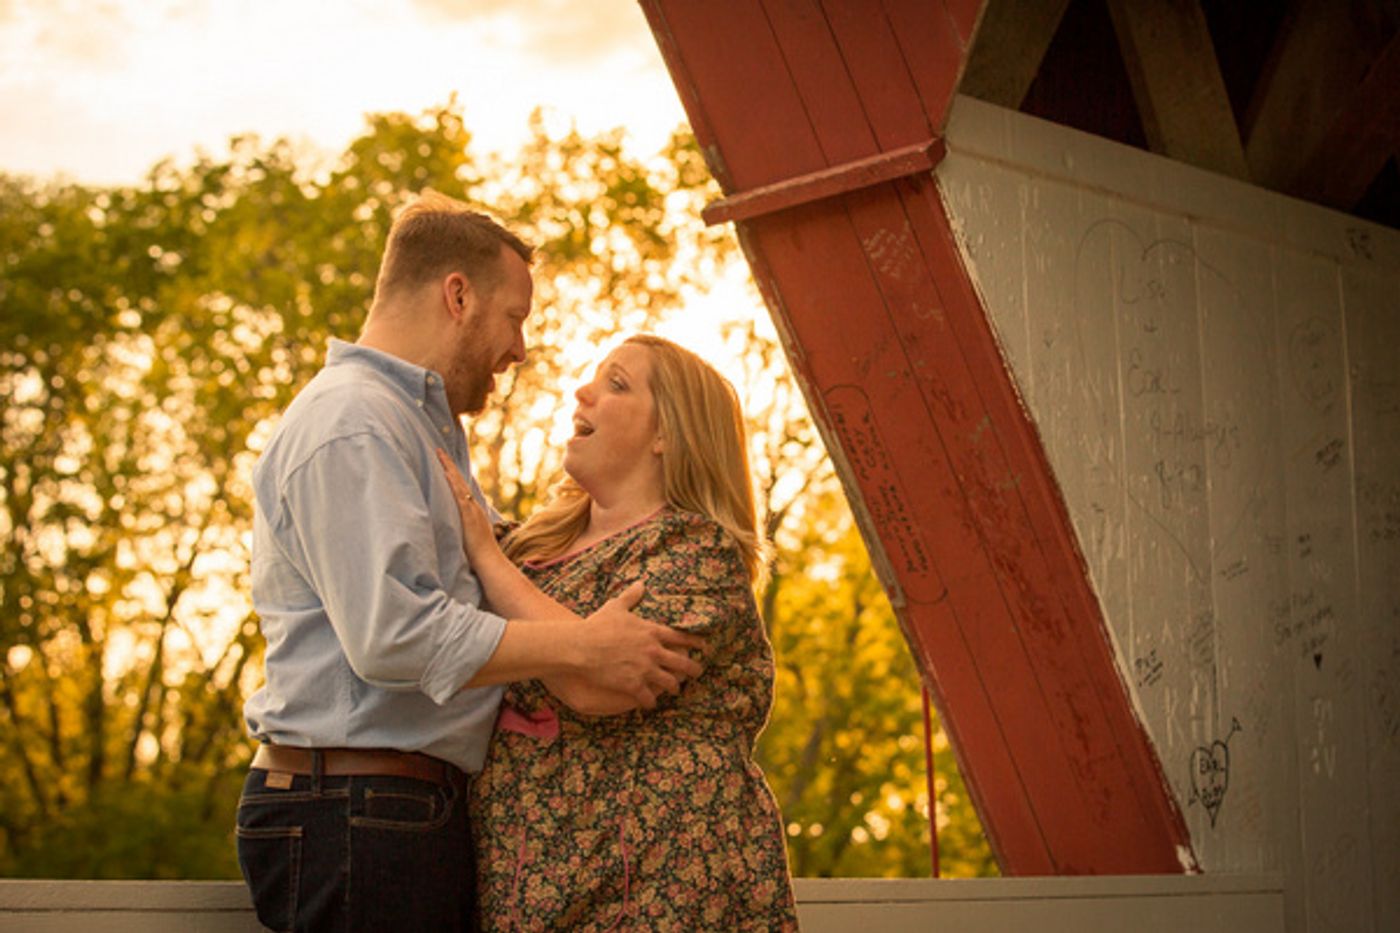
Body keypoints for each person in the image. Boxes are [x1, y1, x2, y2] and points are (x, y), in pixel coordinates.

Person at [236, 192, 703, 933]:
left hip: (396, 808)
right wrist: (587, 645)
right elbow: (394, 634)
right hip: (359, 810)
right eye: (515, 316)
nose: (519, 348)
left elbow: (483, 576)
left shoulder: (423, 427)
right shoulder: (353, 422)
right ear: (458, 295)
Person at [438, 334, 799, 931]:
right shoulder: (530, 548)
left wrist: (488, 559)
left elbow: (597, 687)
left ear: (667, 436)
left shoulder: (696, 552)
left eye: (616, 384)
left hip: (660, 886)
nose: (583, 392)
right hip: (529, 881)